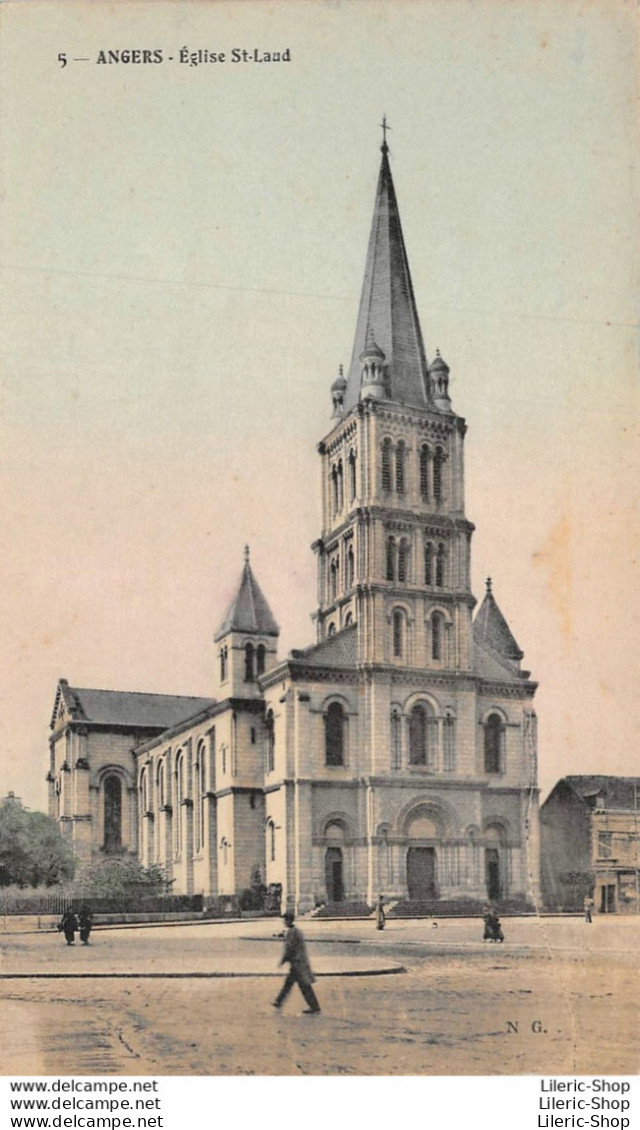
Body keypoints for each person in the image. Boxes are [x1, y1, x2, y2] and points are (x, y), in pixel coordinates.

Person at [272, 911, 321, 1014]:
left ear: (288, 920)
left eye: (285, 920)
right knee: (291, 984)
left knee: (303, 986)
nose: (283, 922)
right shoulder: (295, 931)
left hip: (297, 963)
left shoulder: (291, 932)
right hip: (298, 962)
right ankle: (278, 1001)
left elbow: (290, 948)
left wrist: (282, 961)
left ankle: (314, 1007)